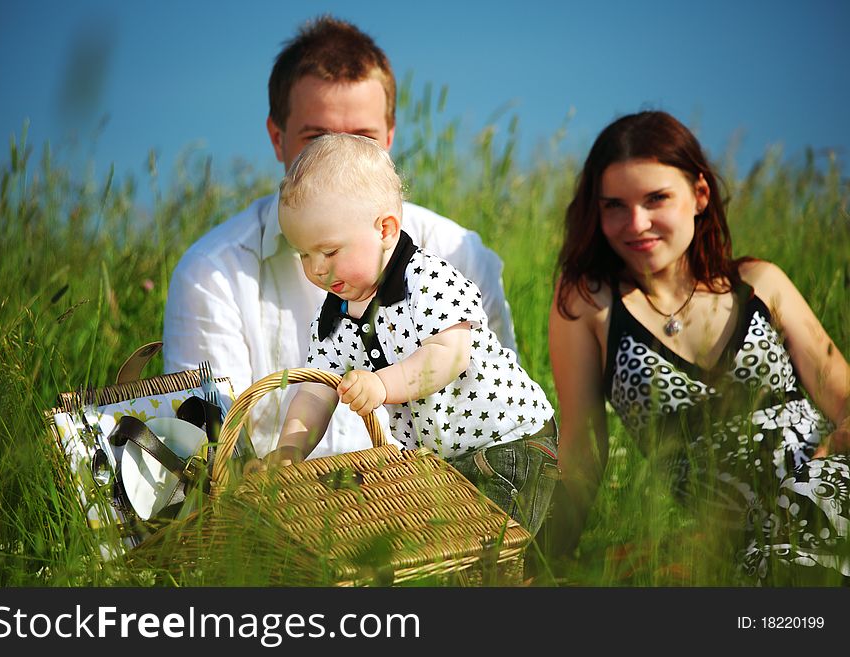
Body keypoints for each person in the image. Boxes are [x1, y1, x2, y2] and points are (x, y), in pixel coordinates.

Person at [163, 16, 517, 460]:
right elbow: (215, 449)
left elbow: (491, 400)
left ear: (388, 139)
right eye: (316, 138)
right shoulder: (212, 274)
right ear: (277, 138)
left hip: (443, 504)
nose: (337, 154)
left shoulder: (455, 252)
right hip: (284, 518)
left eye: (362, 138)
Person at [548, 110, 850, 582]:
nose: (637, 223)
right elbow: (582, 452)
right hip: (738, 537)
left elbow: (845, 398)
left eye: (656, 199)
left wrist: (835, 446)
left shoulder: (758, 284)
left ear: (699, 195)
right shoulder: (590, 303)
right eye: (614, 206)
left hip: (826, 485)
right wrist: (548, 559)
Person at [250, 133, 558, 536]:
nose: (316, 269)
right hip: (444, 460)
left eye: (329, 252)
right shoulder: (335, 319)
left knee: (496, 551)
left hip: (507, 442)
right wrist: (291, 448)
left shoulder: (426, 280)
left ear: (385, 230)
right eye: (303, 254)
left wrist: (382, 384)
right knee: (446, 548)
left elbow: (448, 355)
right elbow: (315, 392)